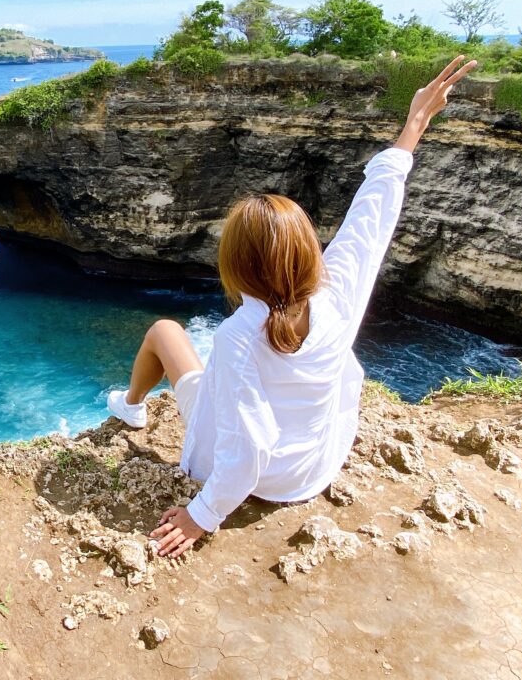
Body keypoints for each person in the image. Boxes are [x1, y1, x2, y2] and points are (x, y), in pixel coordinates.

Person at [106, 55, 478, 559]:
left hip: (263, 477)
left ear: (235, 266)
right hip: (310, 467)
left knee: (165, 331)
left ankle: (130, 408)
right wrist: (413, 125)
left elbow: (250, 447)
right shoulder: (336, 294)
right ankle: (130, 407)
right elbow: (372, 217)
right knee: (183, 345)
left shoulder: (238, 337)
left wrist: (201, 516)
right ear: (308, 251)